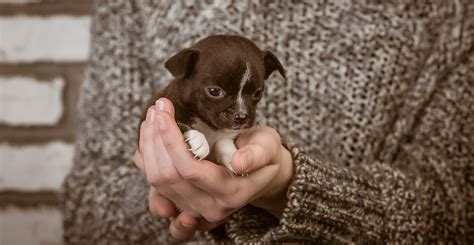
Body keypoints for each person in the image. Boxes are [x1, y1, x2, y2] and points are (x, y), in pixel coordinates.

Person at [63, 0, 473, 243]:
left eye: (255, 96)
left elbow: (456, 214)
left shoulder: (450, 12)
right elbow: (88, 211)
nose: (242, 113)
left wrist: (289, 189)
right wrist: (172, 199)